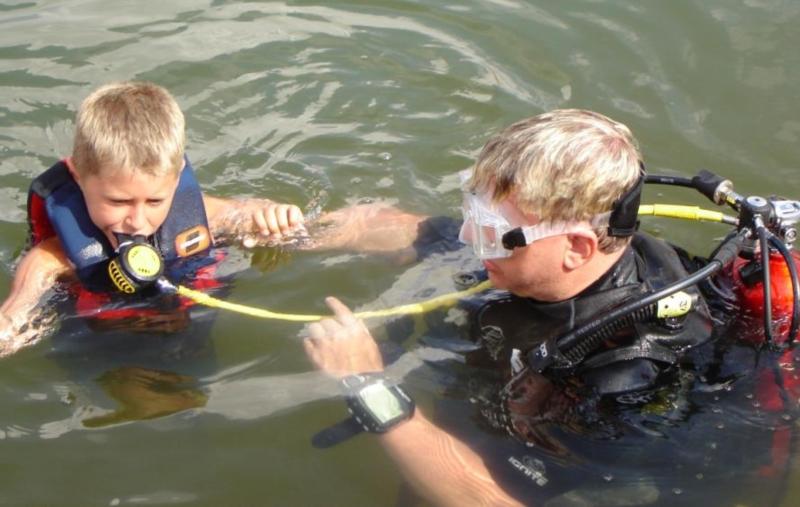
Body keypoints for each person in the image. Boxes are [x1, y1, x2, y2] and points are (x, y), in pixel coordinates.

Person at [302, 110, 743, 505]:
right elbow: (410, 231)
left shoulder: (628, 375)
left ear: (576, 248)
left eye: (491, 230)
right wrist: (270, 228)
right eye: (474, 211)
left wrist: (367, 387)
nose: (470, 239)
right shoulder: (531, 252)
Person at [0, 81, 306, 357]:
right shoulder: (54, 257)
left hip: (190, 334)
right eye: (118, 201)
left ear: (174, 182)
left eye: (155, 201)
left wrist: (273, 215)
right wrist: (12, 323)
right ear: (79, 177)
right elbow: (20, 304)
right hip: (103, 350)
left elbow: (245, 214)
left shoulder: (199, 215)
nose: (137, 221)